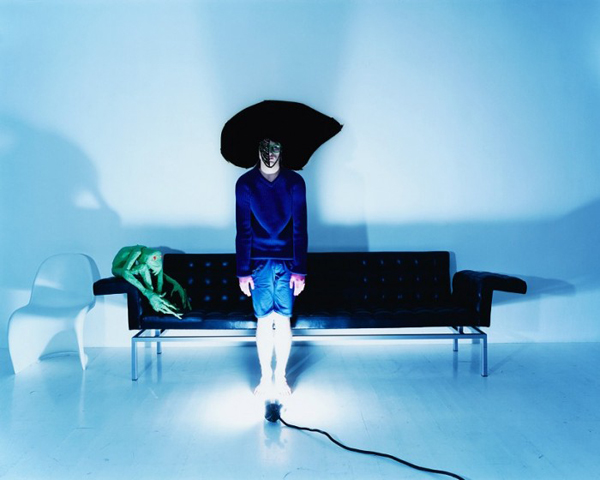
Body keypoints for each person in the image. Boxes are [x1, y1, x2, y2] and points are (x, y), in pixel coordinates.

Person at [235, 138, 307, 397]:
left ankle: (281, 377)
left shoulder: (295, 182)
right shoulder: (245, 183)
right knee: (264, 320)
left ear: (281, 150)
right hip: (257, 262)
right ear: (257, 151)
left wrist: (300, 269)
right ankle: (266, 377)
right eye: (265, 148)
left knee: (283, 319)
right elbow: (243, 228)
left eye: (275, 147)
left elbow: (300, 226)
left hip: (288, 261)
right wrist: (243, 271)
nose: (270, 153)